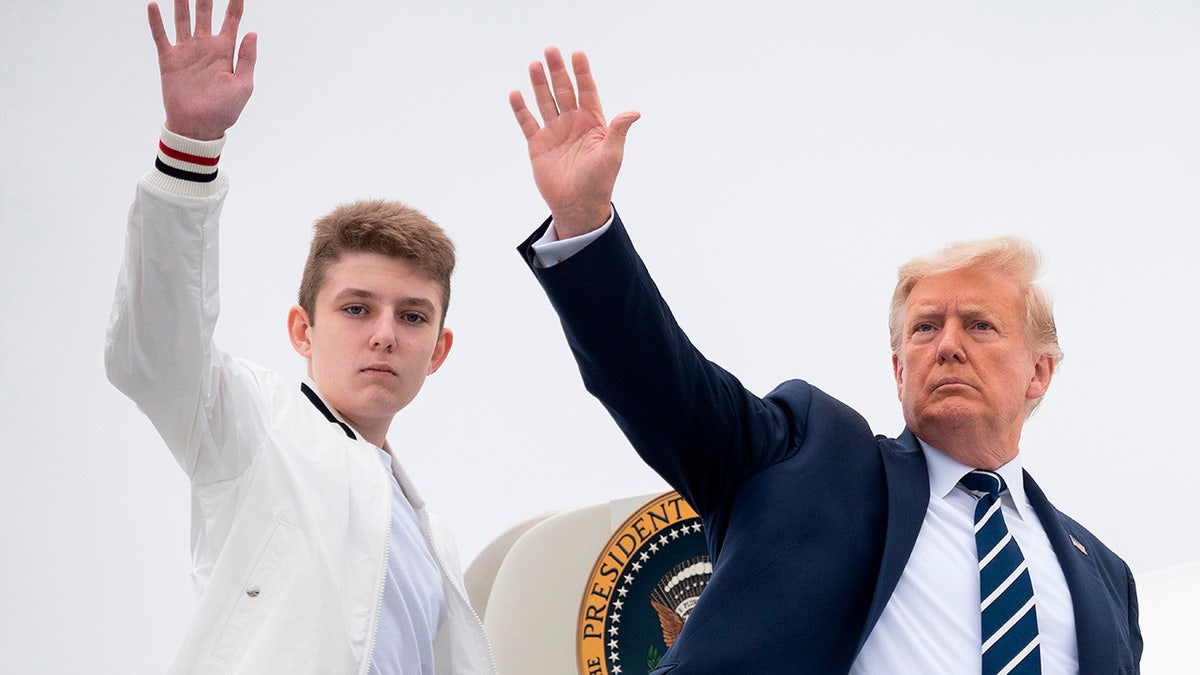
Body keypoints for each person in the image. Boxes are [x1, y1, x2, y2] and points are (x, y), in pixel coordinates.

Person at [509, 47, 1141, 673]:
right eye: (924, 328)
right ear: (898, 370)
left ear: (1040, 371)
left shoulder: (1106, 579)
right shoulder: (811, 458)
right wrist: (585, 221)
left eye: (980, 326)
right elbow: (662, 386)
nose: (948, 344)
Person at [104, 1, 495, 672]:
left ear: (439, 350)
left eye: (411, 316)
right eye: (356, 308)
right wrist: (190, 147)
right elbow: (157, 352)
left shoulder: (436, 543)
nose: (383, 335)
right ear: (301, 329)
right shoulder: (254, 425)